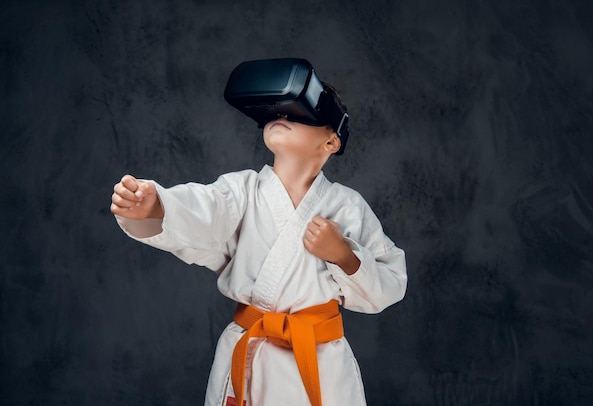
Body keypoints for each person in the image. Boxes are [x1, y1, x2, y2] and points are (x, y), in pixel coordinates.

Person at [110, 65, 407, 405]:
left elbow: (391, 282)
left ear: (331, 140)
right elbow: (204, 208)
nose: (281, 116)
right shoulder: (241, 191)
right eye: (276, 112)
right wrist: (158, 205)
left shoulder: (347, 207)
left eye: (297, 112)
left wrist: (344, 255)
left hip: (320, 360)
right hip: (250, 351)